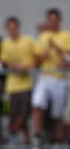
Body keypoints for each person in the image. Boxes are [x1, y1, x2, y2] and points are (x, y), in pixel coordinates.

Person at [32, 8, 70, 147]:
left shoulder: (66, 35)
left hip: (59, 78)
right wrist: (42, 57)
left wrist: (55, 46)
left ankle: (59, 140)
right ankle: (37, 135)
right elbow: (36, 60)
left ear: (59, 21)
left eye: (55, 20)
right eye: (50, 21)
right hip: (45, 76)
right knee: (37, 103)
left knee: (58, 112)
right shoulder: (43, 36)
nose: (53, 23)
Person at [0, 17, 36, 145]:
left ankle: (12, 132)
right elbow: (4, 61)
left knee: (24, 114)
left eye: (14, 28)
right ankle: (26, 140)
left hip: (26, 85)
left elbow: (35, 60)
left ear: (18, 28)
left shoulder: (28, 41)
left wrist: (25, 67)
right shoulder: (6, 43)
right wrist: (14, 66)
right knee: (15, 114)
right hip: (12, 85)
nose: (12, 31)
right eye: (9, 29)